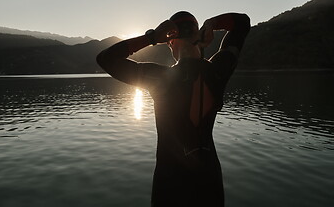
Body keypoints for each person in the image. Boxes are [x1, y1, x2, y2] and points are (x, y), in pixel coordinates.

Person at [97, 11, 250, 207]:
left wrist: (151, 37)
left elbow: (105, 59)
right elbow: (243, 23)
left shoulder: (159, 78)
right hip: (209, 180)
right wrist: (213, 23)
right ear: (199, 36)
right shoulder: (219, 70)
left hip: (170, 182)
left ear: (170, 42)